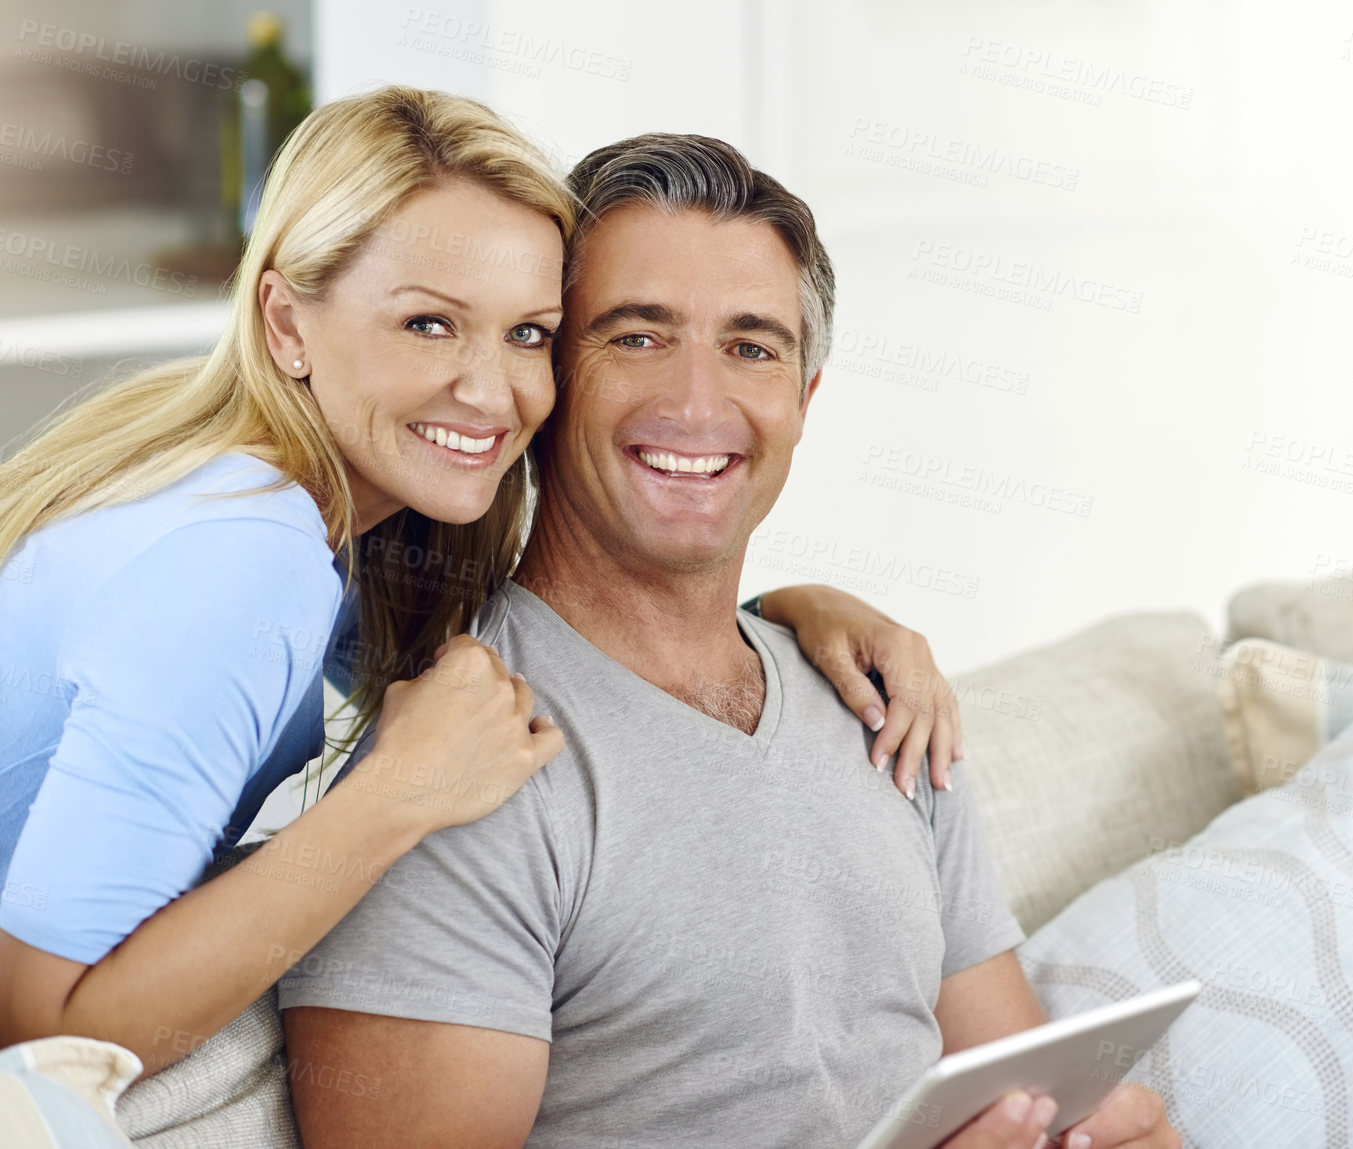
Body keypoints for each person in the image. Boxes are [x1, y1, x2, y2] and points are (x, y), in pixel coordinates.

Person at [0, 87, 966, 1106]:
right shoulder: (246, 558)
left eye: (528, 334)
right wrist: (399, 794)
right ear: (288, 322)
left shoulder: (318, 518)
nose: (491, 390)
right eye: (428, 324)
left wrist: (788, 611)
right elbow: (46, 1031)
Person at [280, 132, 1179, 1149]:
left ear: (803, 401)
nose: (697, 404)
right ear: (546, 374)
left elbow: (1021, 1093)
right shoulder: (456, 763)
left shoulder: (884, 708)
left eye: (751, 347)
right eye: (636, 336)